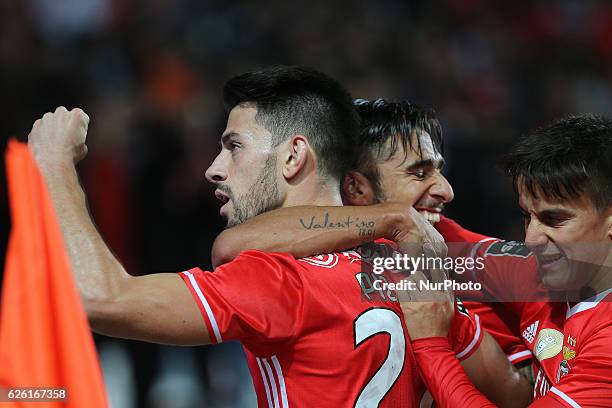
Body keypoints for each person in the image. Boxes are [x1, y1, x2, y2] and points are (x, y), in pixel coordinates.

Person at [28, 65, 483, 407]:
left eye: (234, 146)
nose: (214, 168)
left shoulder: (277, 277)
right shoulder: (413, 267)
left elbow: (100, 299)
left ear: (293, 157)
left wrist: (52, 166)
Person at [210, 98, 533, 405]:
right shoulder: (308, 251)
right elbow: (230, 246)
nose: (445, 191)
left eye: (438, 171)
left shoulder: (468, 256)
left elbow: (575, 275)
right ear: (355, 188)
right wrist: (393, 219)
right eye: (419, 173)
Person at [398, 113, 612, 407]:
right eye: (527, 216)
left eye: (555, 219)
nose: (532, 240)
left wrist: (432, 344)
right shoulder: (539, 272)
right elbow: (438, 235)